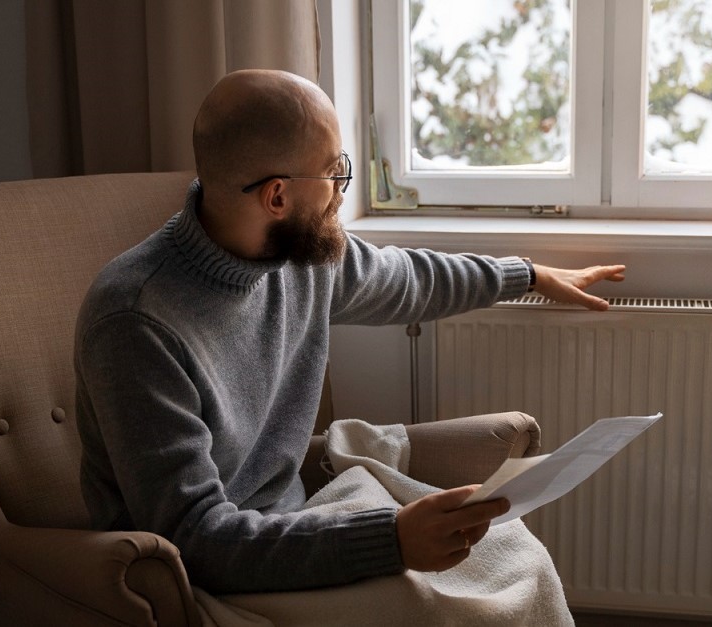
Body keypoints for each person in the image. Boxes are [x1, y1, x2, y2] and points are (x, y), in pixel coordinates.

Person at [74, 69, 626, 594]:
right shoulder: (136, 322)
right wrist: (389, 541)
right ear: (277, 197)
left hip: (297, 523)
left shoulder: (298, 256)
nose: (342, 190)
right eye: (335, 170)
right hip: (206, 579)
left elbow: (410, 279)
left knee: (513, 560)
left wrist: (526, 274)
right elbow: (193, 538)